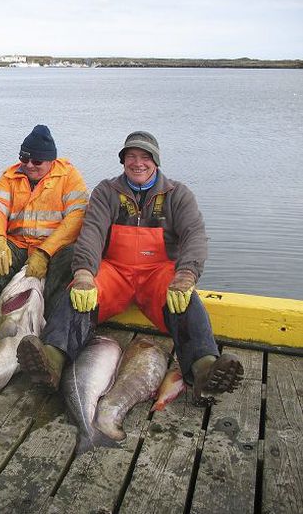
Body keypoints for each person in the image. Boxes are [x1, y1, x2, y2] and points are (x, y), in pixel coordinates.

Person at [17, 131, 244, 406]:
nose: (138, 163)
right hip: (115, 270)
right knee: (77, 294)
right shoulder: (106, 192)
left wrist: (186, 274)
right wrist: (85, 273)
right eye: (131, 157)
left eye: (145, 157)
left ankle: (204, 366)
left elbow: (194, 235)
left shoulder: (178, 194)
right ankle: (52, 359)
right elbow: (92, 234)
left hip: (157, 272)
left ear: (156, 162)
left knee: (185, 299)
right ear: (123, 161)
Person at [0, 125, 89, 316]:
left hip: (54, 250)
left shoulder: (69, 177)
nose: (29, 165)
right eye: (24, 159)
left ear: (51, 160)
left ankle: (48, 315)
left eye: (37, 161)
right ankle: (4, 313)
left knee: (73, 254)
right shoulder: (9, 176)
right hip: (18, 246)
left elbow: (77, 217)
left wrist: (45, 253)